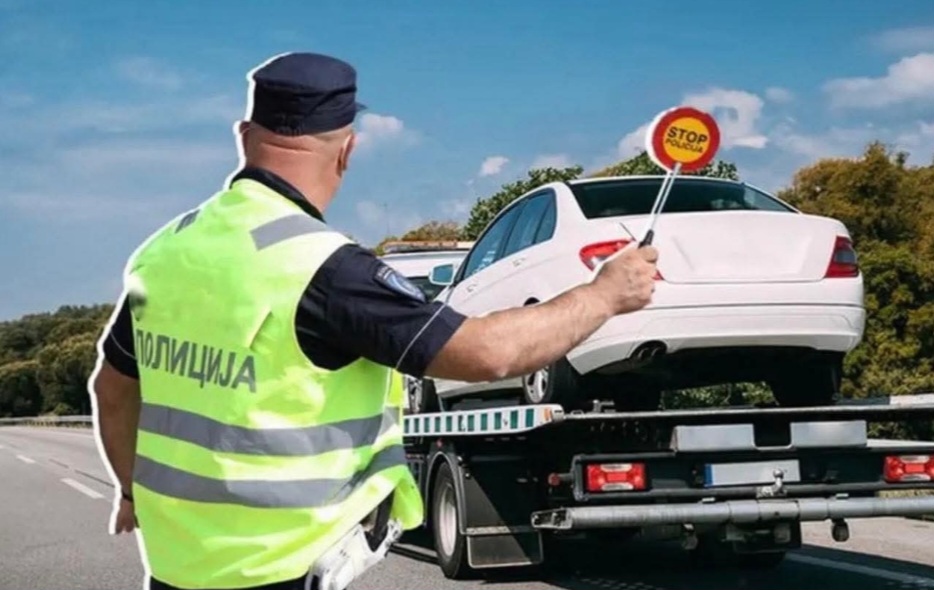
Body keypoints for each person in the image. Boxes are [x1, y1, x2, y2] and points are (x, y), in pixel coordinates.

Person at [88, 51, 659, 590]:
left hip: (177, 567)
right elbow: (488, 354)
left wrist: (133, 494)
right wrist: (604, 295)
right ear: (347, 150)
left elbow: (112, 391)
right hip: (278, 567)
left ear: (244, 136)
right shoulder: (321, 266)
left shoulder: (168, 251)